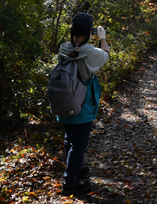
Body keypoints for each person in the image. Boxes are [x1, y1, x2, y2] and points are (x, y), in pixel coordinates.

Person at [57, 13, 110, 196]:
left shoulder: (63, 48)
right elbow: (105, 55)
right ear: (89, 31)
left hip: (63, 99)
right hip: (81, 101)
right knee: (78, 144)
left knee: (69, 139)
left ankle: (74, 169)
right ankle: (69, 182)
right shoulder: (90, 52)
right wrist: (102, 38)